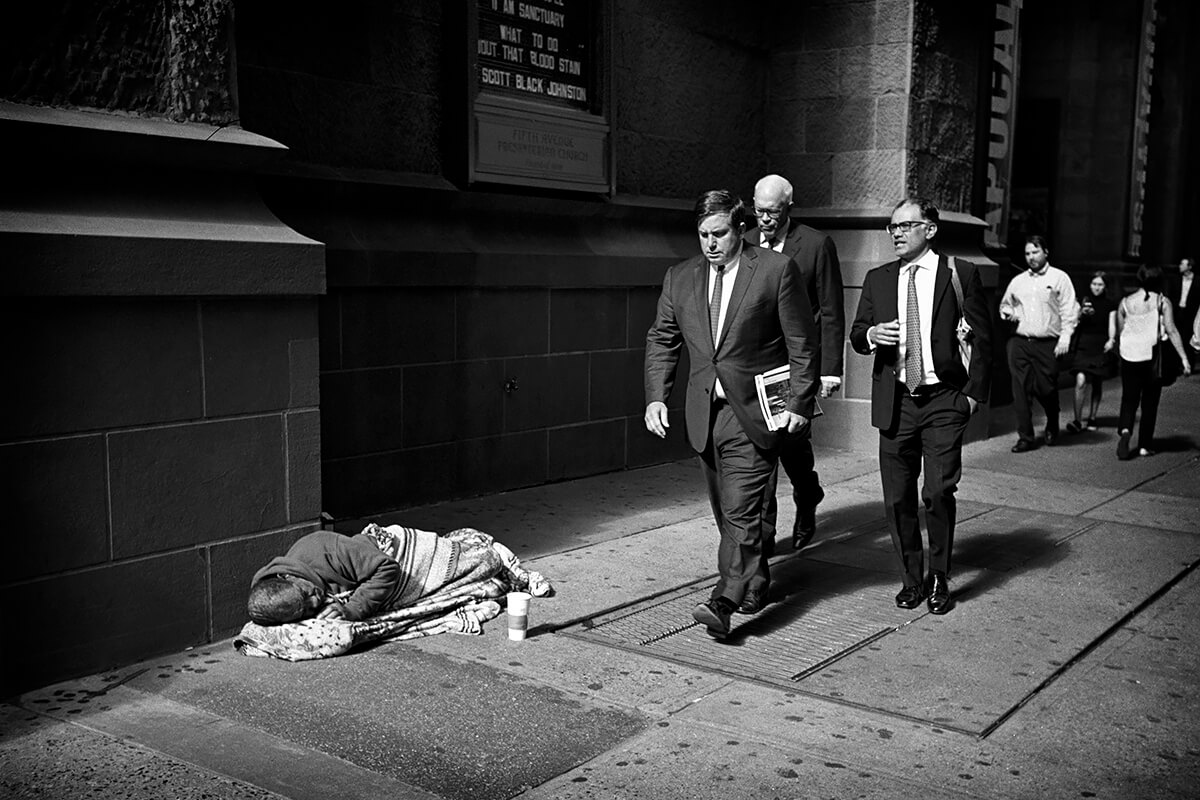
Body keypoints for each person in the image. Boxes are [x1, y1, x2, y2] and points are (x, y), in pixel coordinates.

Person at [644, 189, 819, 638]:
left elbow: (801, 342)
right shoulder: (680, 278)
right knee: (728, 511)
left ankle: (723, 601)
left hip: (755, 414)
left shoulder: (775, 271)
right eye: (702, 234)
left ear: (740, 228)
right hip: (705, 411)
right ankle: (755, 581)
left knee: (741, 510)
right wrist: (656, 397)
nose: (710, 243)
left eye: (719, 233)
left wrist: (799, 404)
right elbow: (663, 339)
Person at [849, 198, 992, 615]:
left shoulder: (959, 273)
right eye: (891, 227)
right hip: (896, 402)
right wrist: (873, 333)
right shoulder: (878, 279)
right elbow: (858, 335)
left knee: (938, 491)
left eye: (905, 226)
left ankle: (941, 576)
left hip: (943, 399)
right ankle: (913, 579)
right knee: (897, 498)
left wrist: (969, 397)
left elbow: (983, 338)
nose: (895, 233)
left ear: (929, 229)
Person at [744, 174, 845, 551]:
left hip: (794, 365)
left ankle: (807, 493)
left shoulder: (816, 245)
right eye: (759, 210)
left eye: (772, 212)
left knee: (792, 442)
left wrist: (830, 369)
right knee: (761, 453)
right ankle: (762, 545)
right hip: (754, 364)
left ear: (789, 207)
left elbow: (832, 310)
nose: (765, 219)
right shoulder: (745, 242)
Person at [998, 235, 1078, 452]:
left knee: (1046, 388)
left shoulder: (1060, 278)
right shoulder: (1018, 281)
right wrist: (1009, 313)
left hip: (1048, 343)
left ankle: (1052, 419)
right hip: (1020, 342)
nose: (1031, 257)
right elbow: (1005, 305)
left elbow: (1070, 310)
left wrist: (1065, 337)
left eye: (1035, 252)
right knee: (1020, 390)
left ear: (1046, 252)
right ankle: (1026, 436)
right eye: (1027, 253)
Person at [1112, 264, 1192, 459]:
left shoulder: (1125, 302)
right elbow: (1171, 330)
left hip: (1129, 355)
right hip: (1151, 357)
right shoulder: (1162, 302)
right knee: (1150, 402)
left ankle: (1125, 432)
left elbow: (1121, 331)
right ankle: (1144, 445)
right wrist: (1184, 358)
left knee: (1129, 399)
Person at [1065, 271, 1117, 433]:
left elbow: (1112, 323)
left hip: (1099, 343)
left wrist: (1111, 339)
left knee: (1096, 381)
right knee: (1080, 380)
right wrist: (1081, 314)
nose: (1097, 287)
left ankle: (1093, 416)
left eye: (1100, 284)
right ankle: (1077, 420)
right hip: (1083, 343)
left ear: (1105, 287)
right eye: (1094, 284)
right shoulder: (1083, 301)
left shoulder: (1110, 304)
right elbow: (1072, 321)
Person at [1167, 257, 1197, 369]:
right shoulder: (1175, 279)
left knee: (1188, 338)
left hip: (1191, 313)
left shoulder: (1198, 281)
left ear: (1189, 266)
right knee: (1175, 336)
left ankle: (1189, 364)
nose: (1180, 266)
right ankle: (1176, 364)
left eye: (1182, 264)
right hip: (1178, 311)